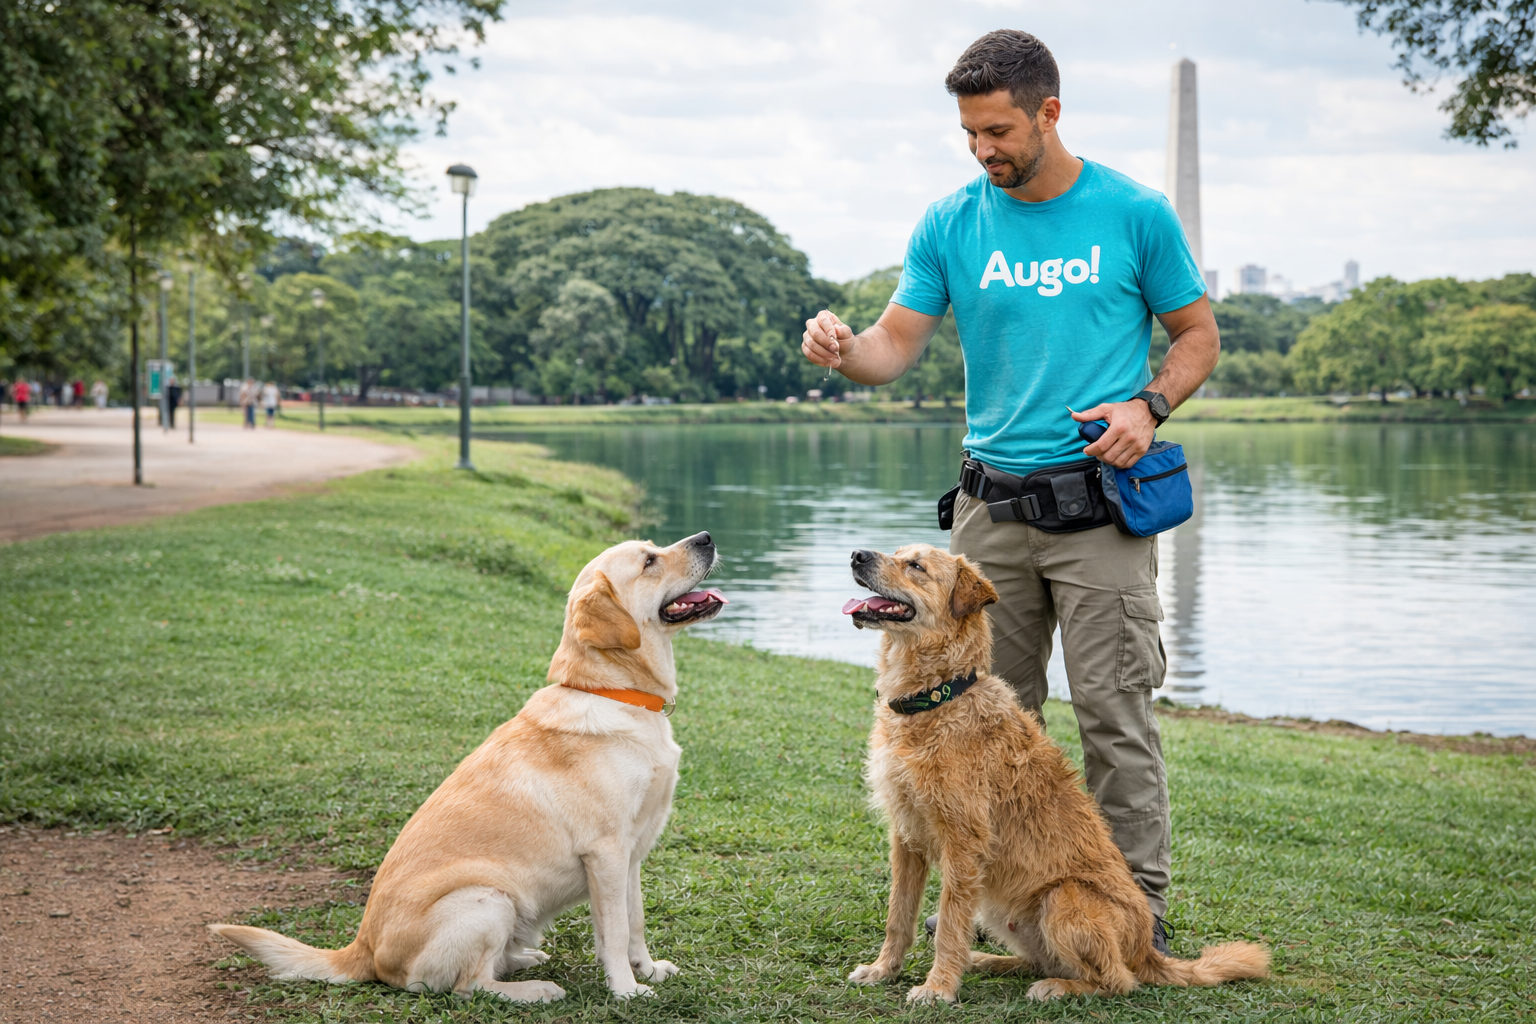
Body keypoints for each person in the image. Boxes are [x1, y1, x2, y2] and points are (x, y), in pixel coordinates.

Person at [800, 29, 1220, 955]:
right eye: (970, 134)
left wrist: (1149, 407)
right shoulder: (951, 223)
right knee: (986, 722)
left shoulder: (1134, 213)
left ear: (1049, 112)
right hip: (988, 515)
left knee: (1115, 714)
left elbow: (1198, 336)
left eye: (998, 131)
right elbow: (893, 344)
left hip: (1101, 507)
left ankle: (1132, 913)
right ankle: (1001, 911)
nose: (984, 150)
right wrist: (842, 350)